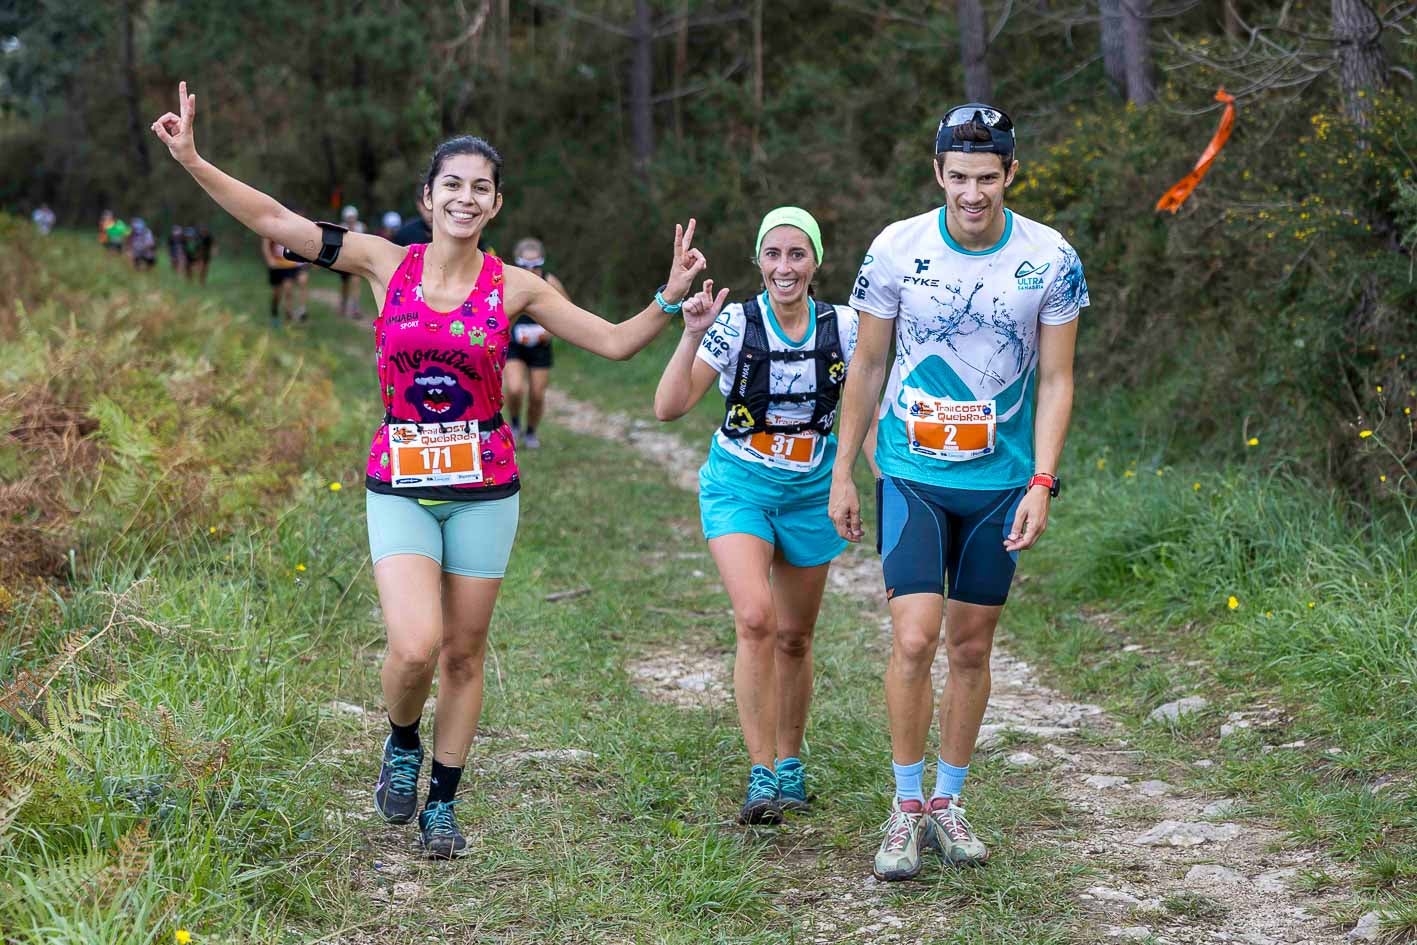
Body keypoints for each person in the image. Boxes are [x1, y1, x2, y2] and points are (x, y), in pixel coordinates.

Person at [152, 81, 713, 859]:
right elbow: (276, 221)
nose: (465, 196)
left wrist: (668, 298)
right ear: (427, 196)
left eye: (480, 187)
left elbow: (614, 341)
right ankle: (402, 739)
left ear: (495, 204)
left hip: (485, 490)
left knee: (463, 653)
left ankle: (442, 803)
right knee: (415, 646)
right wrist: (193, 160)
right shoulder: (385, 262)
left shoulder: (515, 287)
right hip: (402, 484)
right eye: (452, 183)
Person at [828, 104, 1087, 880]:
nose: (971, 193)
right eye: (958, 177)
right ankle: (903, 808)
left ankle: (948, 801)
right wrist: (844, 467)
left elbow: (1056, 377)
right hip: (911, 470)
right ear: (936, 173)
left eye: (986, 177)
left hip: (1000, 481)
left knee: (971, 645)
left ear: (1010, 174)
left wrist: (1042, 479)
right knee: (913, 638)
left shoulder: (1049, 256)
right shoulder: (894, 249)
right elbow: (867, 366)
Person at [654, 208, 872, 825]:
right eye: (773, 254)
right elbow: (669, 406)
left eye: (797, 254)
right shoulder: (733, 324)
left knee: (796, 637)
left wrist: (863, 480)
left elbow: (866, 414)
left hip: (811, 491)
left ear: (816, 262)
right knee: (756, 619)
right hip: (739, 486)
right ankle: (761, 775)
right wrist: (692, 332)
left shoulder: (847, 327)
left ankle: (791, 760)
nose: (785, 267)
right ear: (758, 261)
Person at [504, 237, 569, 448]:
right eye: (525, 266)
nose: (531, 271)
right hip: (513, 343)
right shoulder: (509, 282)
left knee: (537, 394)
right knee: (514, 389)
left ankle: (531, 432)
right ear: (517, 263)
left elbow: (569, 315)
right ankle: (514, 424)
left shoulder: (551, 282)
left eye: (536, 266)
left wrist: (546, 332)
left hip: (540, 346)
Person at [261, 234, 305, 324]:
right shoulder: (271, 228)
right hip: (276, 265)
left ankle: (288, 314)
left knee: (288, 289)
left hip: (289, 265)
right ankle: (274, 313)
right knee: (277, 294)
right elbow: (265, 245)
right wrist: (269, 259)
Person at [337, 204, 368, 319]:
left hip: (356, 260)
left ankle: (355, 307)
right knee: (345, 285)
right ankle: (343, 305)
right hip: (344, 261)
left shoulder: (361, 227)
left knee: (356, 282)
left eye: (352, 217)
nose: (351, 220)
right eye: (349, 218)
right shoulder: (341, 228)